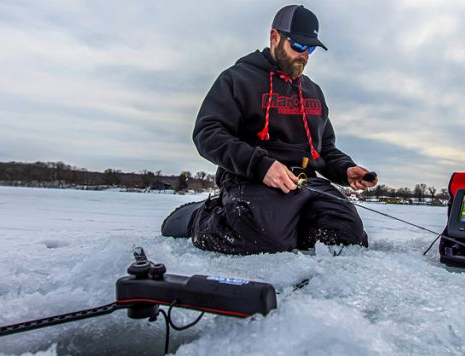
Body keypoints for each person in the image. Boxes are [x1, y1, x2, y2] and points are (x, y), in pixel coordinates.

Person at [161, 5, 377, 254]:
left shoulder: (313, 91)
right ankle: (202, 216)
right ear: (275, 36)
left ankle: (288, 228)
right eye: (298, 46)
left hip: (306, 183)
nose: (305, 55)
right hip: (252, 180)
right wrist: (261, 166)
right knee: (263, 241)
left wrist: (346, 169)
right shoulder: (237, 79)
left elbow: (324, 148)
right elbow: (207, 132)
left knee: (348, 235)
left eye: (311, 49)